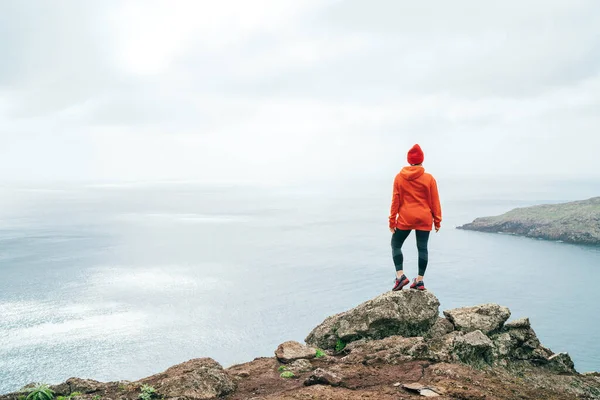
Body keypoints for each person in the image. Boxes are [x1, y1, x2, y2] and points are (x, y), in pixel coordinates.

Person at [388, 144, 442, 291]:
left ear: (408, 160)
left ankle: (400, 277)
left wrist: (392, 220)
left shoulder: (399, 178)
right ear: (422, 160)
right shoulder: (429, 178)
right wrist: (437, 220)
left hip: (406, 218)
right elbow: (434, 201)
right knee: (422, 248)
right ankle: (419, 281)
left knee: (396, 244)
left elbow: (395, 201)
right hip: (424, 218)